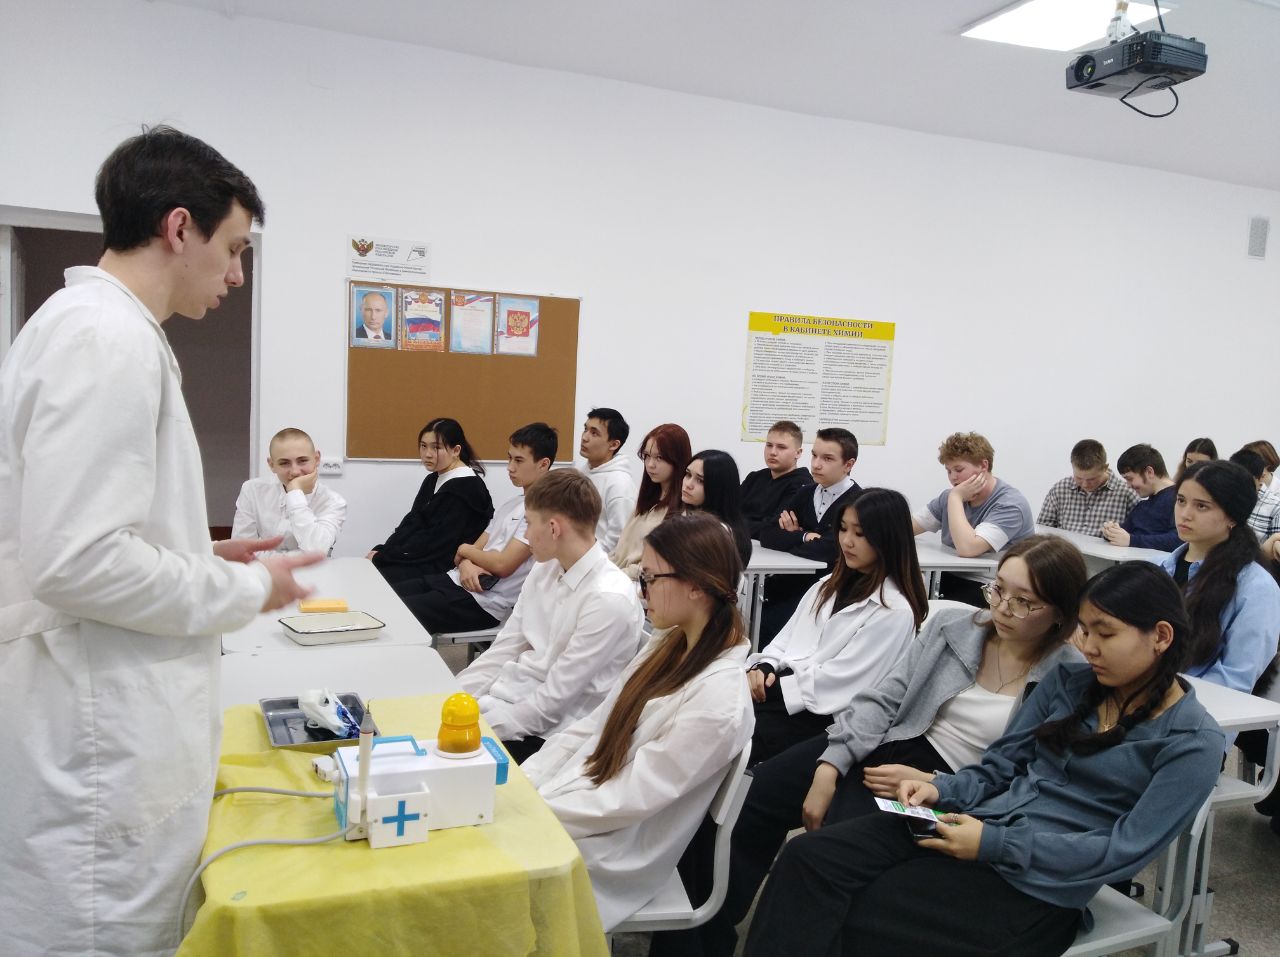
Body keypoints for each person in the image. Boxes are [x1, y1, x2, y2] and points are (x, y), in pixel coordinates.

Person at [0, 127, 320, 957]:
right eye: (235, 248)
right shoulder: (105, 340)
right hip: (98, 742)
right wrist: (250, 590)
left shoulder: (92, 329)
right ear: (180, 228)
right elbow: (77, 561)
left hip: (97, 710)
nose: (238, 274)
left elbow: (80, 532)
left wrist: (197, 552)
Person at [743, 561, 1224, 957]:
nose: (1086, 647)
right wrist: (938, 788)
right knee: (807, 859)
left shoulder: (1192, 742)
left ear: (1160, 636)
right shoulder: (1070, 686)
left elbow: (1124, 852)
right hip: (968, 821)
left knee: (866, 908)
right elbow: (998, 768)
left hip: (1035, 882)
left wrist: (993, 844)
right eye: (1083, 630)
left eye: (1105, 633)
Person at [654, 535, 1087, 957]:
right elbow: (883, 700)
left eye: (1023, 601)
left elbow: (1026, 777)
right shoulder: (954, 628)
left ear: (1060, 614)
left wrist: (935, 783)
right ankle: (696, 944)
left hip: (950, 789)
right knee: (747, 803)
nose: (1002, 609)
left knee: (824, 862)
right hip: (889, 745)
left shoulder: (1067, 678)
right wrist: (830, 765)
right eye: (998, 590)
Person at [522, 512, 754, 932]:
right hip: (582, 804)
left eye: (649, 578)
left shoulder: (719, 701)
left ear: (697, 586)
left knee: (473, 872)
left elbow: (629, 800)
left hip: (614, 848)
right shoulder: (669, 644)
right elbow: (593, 726)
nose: (640, 589)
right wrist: (525, 783)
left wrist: (535, 812)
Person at [458, 468, 644, 762]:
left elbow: (554, 702)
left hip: (551, 737)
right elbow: (507, 646)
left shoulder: (608, 599)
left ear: (554, 528)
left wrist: (479, 728)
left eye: (529, 524)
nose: (526, 534)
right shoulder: (545, 567)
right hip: (510, 704)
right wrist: (453, 695)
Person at [744, 489, 929, 765]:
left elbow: (842, 682)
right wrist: (764, 667)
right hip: (786, 692)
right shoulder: (827, 585)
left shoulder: (895, 612)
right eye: (842, 529)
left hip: (820, 717)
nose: (846, 541)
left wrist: (773, 689)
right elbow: (785, 639)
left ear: (888, 538)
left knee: (733, 734)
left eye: (860, 534)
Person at [391, 423, 555, 634]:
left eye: (519, 460)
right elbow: (475, 549)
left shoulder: (542, 510)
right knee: (386, 595)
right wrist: (467, 561)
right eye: (509, 458)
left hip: (481, 603)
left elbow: (502, 564)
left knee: (393, 613)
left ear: (543, 464)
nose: (510, 467)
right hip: (455, 580)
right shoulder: (510, 504)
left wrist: (464, 551)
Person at [1159, 460, 1280, 695]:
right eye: (1181, 501)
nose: (1185, 514)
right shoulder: (1161, 569)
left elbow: (1235, 680)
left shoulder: (1256, 588)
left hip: (1201, 718)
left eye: (1202, 506)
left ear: (1233, 517)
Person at [757, 427, 863, 642]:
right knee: (747, 607)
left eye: (827, 458)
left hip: (832, 589)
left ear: (848, 465)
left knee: (770, 621)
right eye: (814, 455)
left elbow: (829, 550)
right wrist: (804, 536)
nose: (816, 464)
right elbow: (767, 534)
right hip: (790, 582)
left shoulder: (857, 502)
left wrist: (794, 536)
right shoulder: (806, 492)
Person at [368, 417, 493, 583]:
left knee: (378, 578)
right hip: (423, 556)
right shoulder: (433, 479)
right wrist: (384, 550)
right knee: (369, 567)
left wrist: (387, 557)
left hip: (445, 565)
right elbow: (413, 522)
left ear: (456, 450)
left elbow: (438, 544)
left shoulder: (467, 488)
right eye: (423, 446)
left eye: (436, 447)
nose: (427, 454)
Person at [232, 426, 347, 554]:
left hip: (313, 573)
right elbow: (241, 551)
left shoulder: (333, 502)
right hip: (262, 571)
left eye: (302, 461)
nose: (295, 471)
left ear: (317, 459)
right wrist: (299, 558)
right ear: (272, 465)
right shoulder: (252, 490)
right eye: (284, 463)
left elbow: (317, 549)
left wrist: (294, 494)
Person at [610, 422, 691, 579]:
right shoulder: (648, 501)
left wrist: (615, 575)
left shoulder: (681, 513)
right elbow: (621, 551)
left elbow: (656, 567)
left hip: (638, 587)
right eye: (647, 456)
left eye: (659, 458)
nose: (650, 464)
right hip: (619, 578)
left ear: (677, 460)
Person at [1037, 439, 1137, 537]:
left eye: (1092, 479)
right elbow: (1042, 529)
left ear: (1105, 468)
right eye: (1079, 478)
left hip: (1105, 553)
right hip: (1065, 552)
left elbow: (1137, 537)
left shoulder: (1127, 494)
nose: (1085, 484)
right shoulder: (1060, 489)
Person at [578, 407, 638, 553]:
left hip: (598, 567)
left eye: (594, 433)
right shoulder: (582, 473)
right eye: (585, 429)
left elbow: (618, 539)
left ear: (614, 444)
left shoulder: (619, 484)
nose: (585, 437)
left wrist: (586, 562)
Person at [740, 420, 812, 539]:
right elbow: (728, 511)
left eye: (781, 447)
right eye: (769, 445)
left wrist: (736, 524)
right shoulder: (754, 477)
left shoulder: (802, 485)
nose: (772, 452)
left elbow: (773, 527)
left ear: (798, 453)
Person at [1101, 443, 1180, 550]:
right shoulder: (1142, 506)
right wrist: (1111, 531)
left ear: (1149, 472)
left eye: (1130, 479)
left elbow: (1179, 540)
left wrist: (1132, 541)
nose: (1128, 485)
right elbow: (1126, 531)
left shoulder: (1179, 500)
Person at [682, 448, 752, 566]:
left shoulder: (719, 533)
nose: (688, 484)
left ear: (718, 488)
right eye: (688, 474)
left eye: (700, 480)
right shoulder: (688, 516)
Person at [1230, 447, 1280, 540]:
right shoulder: (1225, 496)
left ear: (1261, 477)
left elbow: (1274, 550)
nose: (1239, 484)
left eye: (1245, 480)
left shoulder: (1275, 507)